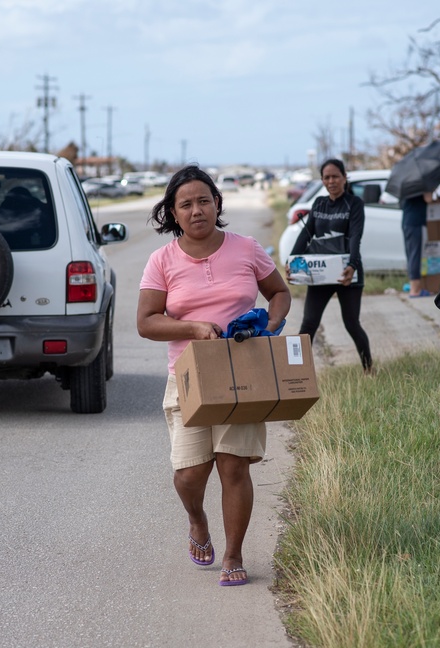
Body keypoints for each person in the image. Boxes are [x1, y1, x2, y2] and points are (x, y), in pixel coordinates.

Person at [136, 165, 291, 587]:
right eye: (185, 204)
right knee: (189, 473)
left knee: (234, 467)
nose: (196, 210)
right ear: (172, 212)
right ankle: (197, 521)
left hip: (243, 371)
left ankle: (234, 554)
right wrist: (194, 328)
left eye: (204, 200)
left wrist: (271, 327)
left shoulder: (245, 248)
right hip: (188, 376)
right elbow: (146, 322)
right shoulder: (162, 260)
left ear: (217, 204)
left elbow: (279, 292)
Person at [288, 158, 374, 373]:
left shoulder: (354, 204)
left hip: (347, 273)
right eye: (326, 177)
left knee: (351, 324)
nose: (331, 181)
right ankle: (294, 374)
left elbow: (355, 236)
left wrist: (352, 265)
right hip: (321, 272)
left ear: (345, 177)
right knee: (308, 324)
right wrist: (292, 262)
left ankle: (369, 369)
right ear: (322, 180)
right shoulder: (319, 204)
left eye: (336, 176)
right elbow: (305, 235)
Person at [400, 190, 440, 297]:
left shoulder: (409, 186)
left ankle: (414, 287)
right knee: (415, 255)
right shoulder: (421, 186)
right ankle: (415, 290)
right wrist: (431, 194)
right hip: (416, 222)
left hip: (407, 221)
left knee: (411, 254)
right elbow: (428, 199)